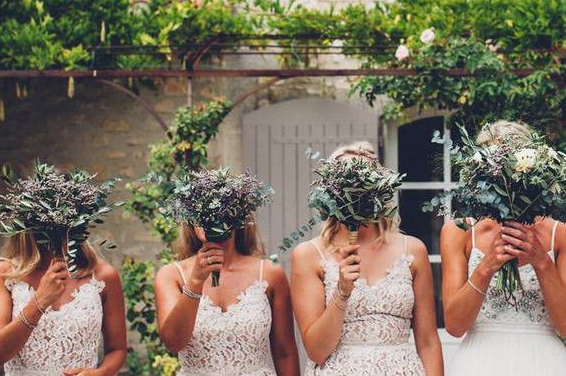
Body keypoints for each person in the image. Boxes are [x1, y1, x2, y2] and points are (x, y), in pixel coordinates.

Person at [291, 141, 443, 375]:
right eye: (346, 184)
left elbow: (428, 342)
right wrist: (341, 292)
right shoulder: (309, 254)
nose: (356, 192)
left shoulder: (413, 250)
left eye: (363, 182)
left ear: (379, 189)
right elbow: (317, 351)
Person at [441, 120, 566, 374]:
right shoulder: (459, 232)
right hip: (479, 363)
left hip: (544, 362)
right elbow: (454, 326)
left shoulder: (559, 234)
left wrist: (542, 261)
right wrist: (486, 266)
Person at [154, 221, 300, 375]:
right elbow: (173, 343)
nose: (215, 219)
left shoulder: (270, 272)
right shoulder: (171, 275)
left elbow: (285, 353)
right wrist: (195, 282)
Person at [0, 231, 126, 376]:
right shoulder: (2, 275)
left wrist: (99, 373)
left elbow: (117, 350)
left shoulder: (103, 275)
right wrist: (39, 302)